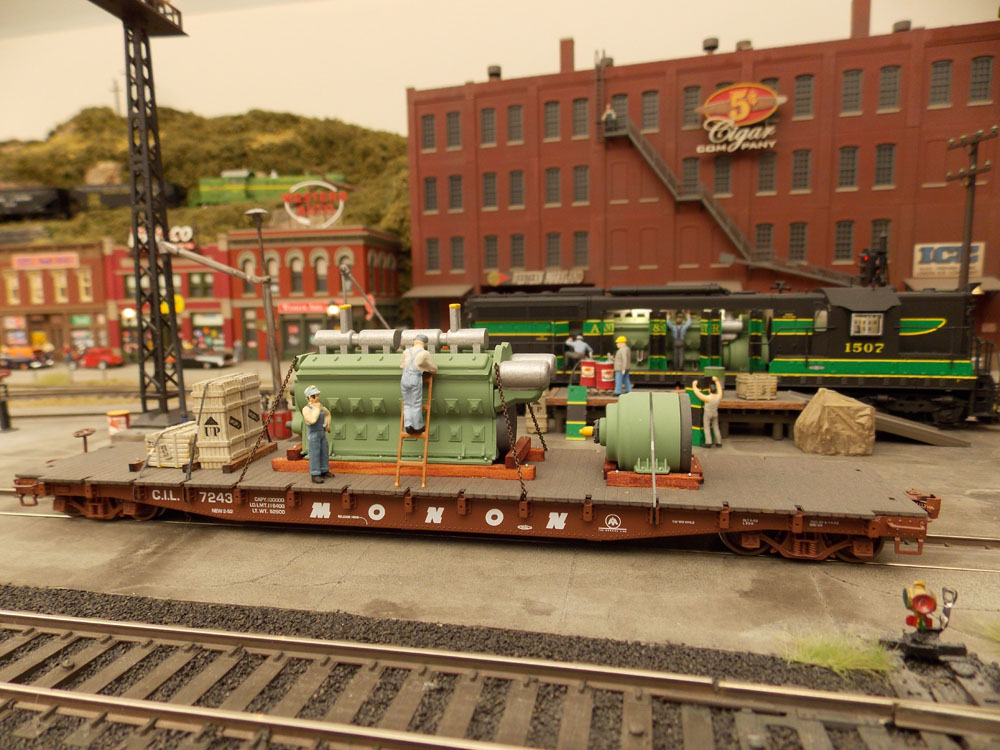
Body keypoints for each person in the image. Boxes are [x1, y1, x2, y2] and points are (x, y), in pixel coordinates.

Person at [400, 333, 438, 434]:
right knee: (416, 404)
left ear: (414, 341)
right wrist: (425, 369)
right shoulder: (424, 353)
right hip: (414, 379)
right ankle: (417, 427)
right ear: (424, 343)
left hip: (404, 378)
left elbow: (402, 365)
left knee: (407, 403)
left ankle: (408, 426)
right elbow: (434, 368)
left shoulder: (406, 351)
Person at [301, 384, 331, 483]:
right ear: (309, 397)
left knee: (324, 451)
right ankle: (315, 473)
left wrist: (327, 424)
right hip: (313, 434)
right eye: (314, 396)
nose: (317, 398)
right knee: (315, 453)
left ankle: (324, 470)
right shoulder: (306, 409)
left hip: (321, 432)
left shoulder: (320, 406)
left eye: (317, 395)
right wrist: (317, 408)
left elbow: (327, 414)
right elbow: (312, 420)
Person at [691, 376, 723, 448]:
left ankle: (708, 442)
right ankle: (719, 442)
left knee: (707, 427)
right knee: (716, 426)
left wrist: (694, 385)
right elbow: (720, 390)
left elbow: (698, 394)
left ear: (709, 390)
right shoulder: (719, 397)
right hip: (715, 413)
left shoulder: (707, 398)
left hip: (708, 413)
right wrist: (717, 381)